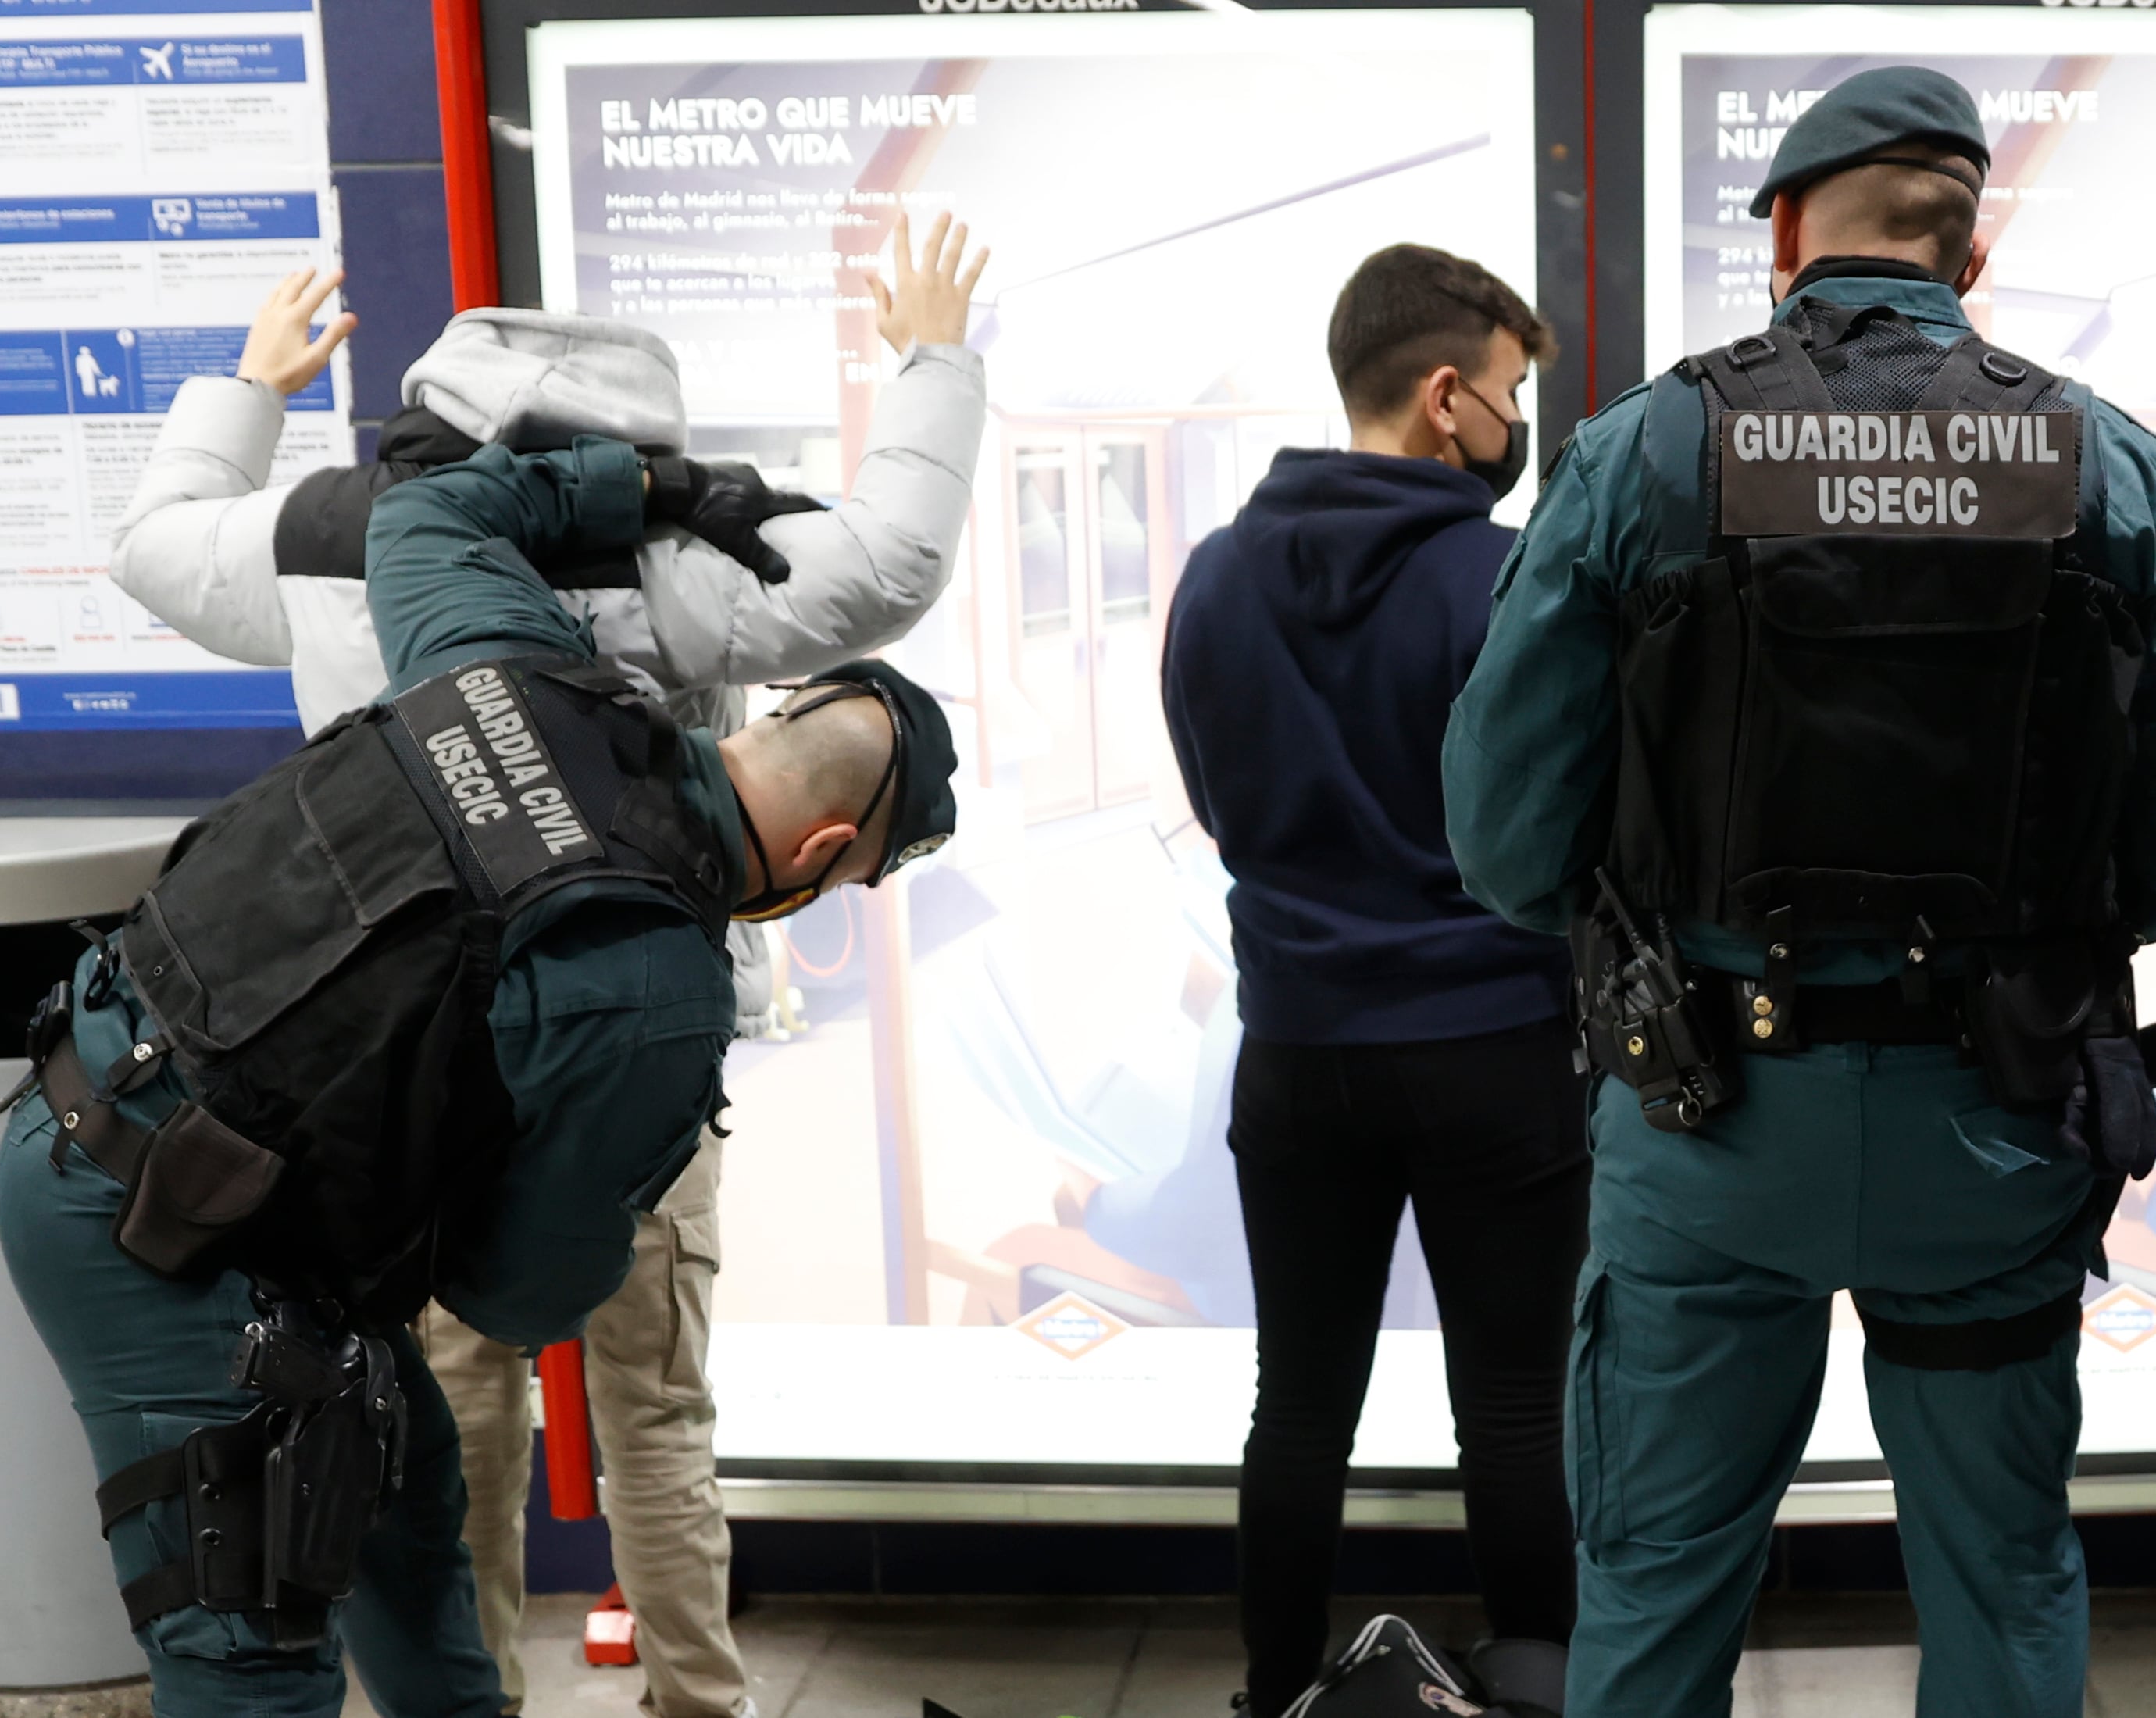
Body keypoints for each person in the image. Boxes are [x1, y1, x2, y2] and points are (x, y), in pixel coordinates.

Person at [1442, 66, 2156, 1718]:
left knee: (1661, 1580)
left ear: (1780, 239)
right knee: (2002, 1573)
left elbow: (1502, 840)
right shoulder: (2110, 465)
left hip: (1707, 1125)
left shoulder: (1643, 449)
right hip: (1996, 1120)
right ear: (1968, 257)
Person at [104, 214, 988, 1718]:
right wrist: (932, 355)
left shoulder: (335, 538)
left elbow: (149, 546)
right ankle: (697, 1703)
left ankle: (471, 1704)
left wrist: (245, 389)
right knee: (657, 1408)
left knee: (447, 1411)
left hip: (407, 1072)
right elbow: (894, 560)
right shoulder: (685, 555)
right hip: (630, 1047)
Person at [1159, 242, 1582, 1718]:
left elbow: (1218, 802)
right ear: (1446, 395)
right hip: (1497, 1048)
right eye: (1513, 394)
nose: (1517, 428)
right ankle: (1536, 1692)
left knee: (1302, 1401)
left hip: (1296, 1050)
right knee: (1519, 1409)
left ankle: (1275, 1695)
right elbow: (1557, 820)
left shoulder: (1214, 576)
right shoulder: (1501, 574)